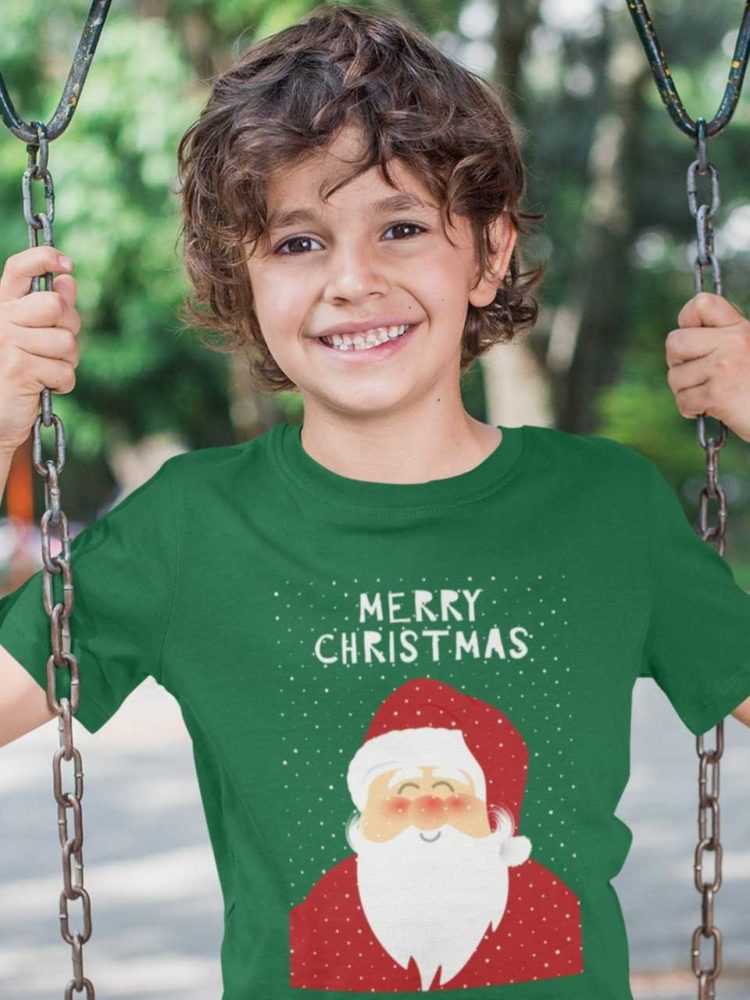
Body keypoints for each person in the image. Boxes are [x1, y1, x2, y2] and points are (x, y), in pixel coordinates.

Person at [0, 4, 748, 998]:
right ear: (245, 280)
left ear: (487, 253)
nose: (352, 280)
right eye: (298, 242)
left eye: (400, 227)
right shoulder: (190, 525)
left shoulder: (604, 508)